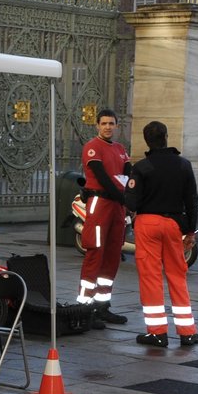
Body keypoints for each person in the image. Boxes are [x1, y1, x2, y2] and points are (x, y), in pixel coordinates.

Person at [124, 121, 198, 347]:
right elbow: (192, 200)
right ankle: (188, 332)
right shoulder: (184, 165)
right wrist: (190, 231)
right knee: (177, 274)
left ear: (146, 140)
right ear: (167, 137)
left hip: (148, 224)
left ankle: (157, 332)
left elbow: (131, 201)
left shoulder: (142, 167)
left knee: (151, 276)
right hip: (174, 224)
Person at [75, 108, 130, 324]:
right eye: (104, 123)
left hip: (117, 206)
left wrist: (126, 195)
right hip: (101, 203)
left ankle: (102, 305)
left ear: (116, 126)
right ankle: (84, 309)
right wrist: (122, 194)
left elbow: (128, 171)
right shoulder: (92, 147)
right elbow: (101, 176)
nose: (108, 127)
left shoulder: (120, 148)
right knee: (95, 254)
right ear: (97, 125)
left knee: (113, 255)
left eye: (111, 123)